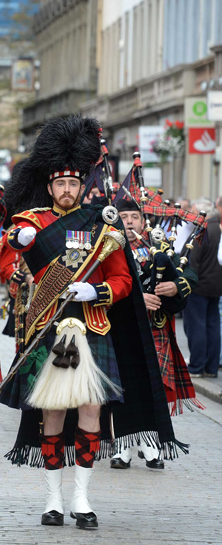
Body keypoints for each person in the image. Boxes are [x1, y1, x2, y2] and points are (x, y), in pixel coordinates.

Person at [0, 114, 185, 530]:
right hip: (50, 326)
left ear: (83, 186)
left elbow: (122, 279)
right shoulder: (32, 223)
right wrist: (20, 242)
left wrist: (95, 292)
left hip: (93, 325)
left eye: (73, 184)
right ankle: (53, 499)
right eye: (59, 184)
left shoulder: (104, 225)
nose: (67, 191)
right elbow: (12, 246)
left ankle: (81, 498)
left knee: (90, 414)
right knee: (52, 415)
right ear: (50, 186)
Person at [110, 199, 200, 469]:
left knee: (153, 385)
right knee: (122, 387)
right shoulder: (109, 247)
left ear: (142, 220)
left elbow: (190, 275)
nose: (128, 222)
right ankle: (123, 446)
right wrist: (139, 299)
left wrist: (175, 285)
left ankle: (151, 444)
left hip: (154, 328)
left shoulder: (159, 247)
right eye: (123, 216)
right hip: (122, 328)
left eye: (134, 217)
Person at [183, 196, 222, 378]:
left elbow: (193, 262)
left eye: (192, 212)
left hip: (198, 286)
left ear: (201, 213)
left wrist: (187, 283)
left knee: (196, 326)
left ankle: (197, 367)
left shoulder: (202, 230)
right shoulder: (218, 229)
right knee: (213, 326)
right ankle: (211, 368)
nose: (190, 215)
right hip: (215, 287)